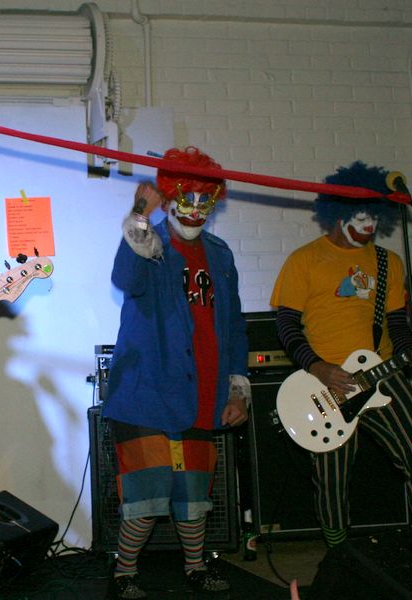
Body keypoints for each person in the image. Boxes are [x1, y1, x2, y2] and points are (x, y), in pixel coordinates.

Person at [270, 161, 412, 548]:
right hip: (328, 384)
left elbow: (397, 324)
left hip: (383, 374)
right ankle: (340, 553)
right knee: (332, 477)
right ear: (339, 213)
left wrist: (411, 351)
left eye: (373, 217)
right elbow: (286, 325)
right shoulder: (304, 260)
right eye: (360, 216)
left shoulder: (389, 262)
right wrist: (318, 367)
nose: (368, 225)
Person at [102, 146, 250, 599]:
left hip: (202, 391)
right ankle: (124, 571)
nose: (196, 208)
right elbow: (125, 279)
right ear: (170, 197)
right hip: (146, 390)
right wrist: (138, 214)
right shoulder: (150, 243)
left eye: (206, 199)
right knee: (147, 495)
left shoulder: (220, 255)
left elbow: (234, 325)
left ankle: (195, 566)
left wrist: (238, 388)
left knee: (193, 495)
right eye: (187, 197)